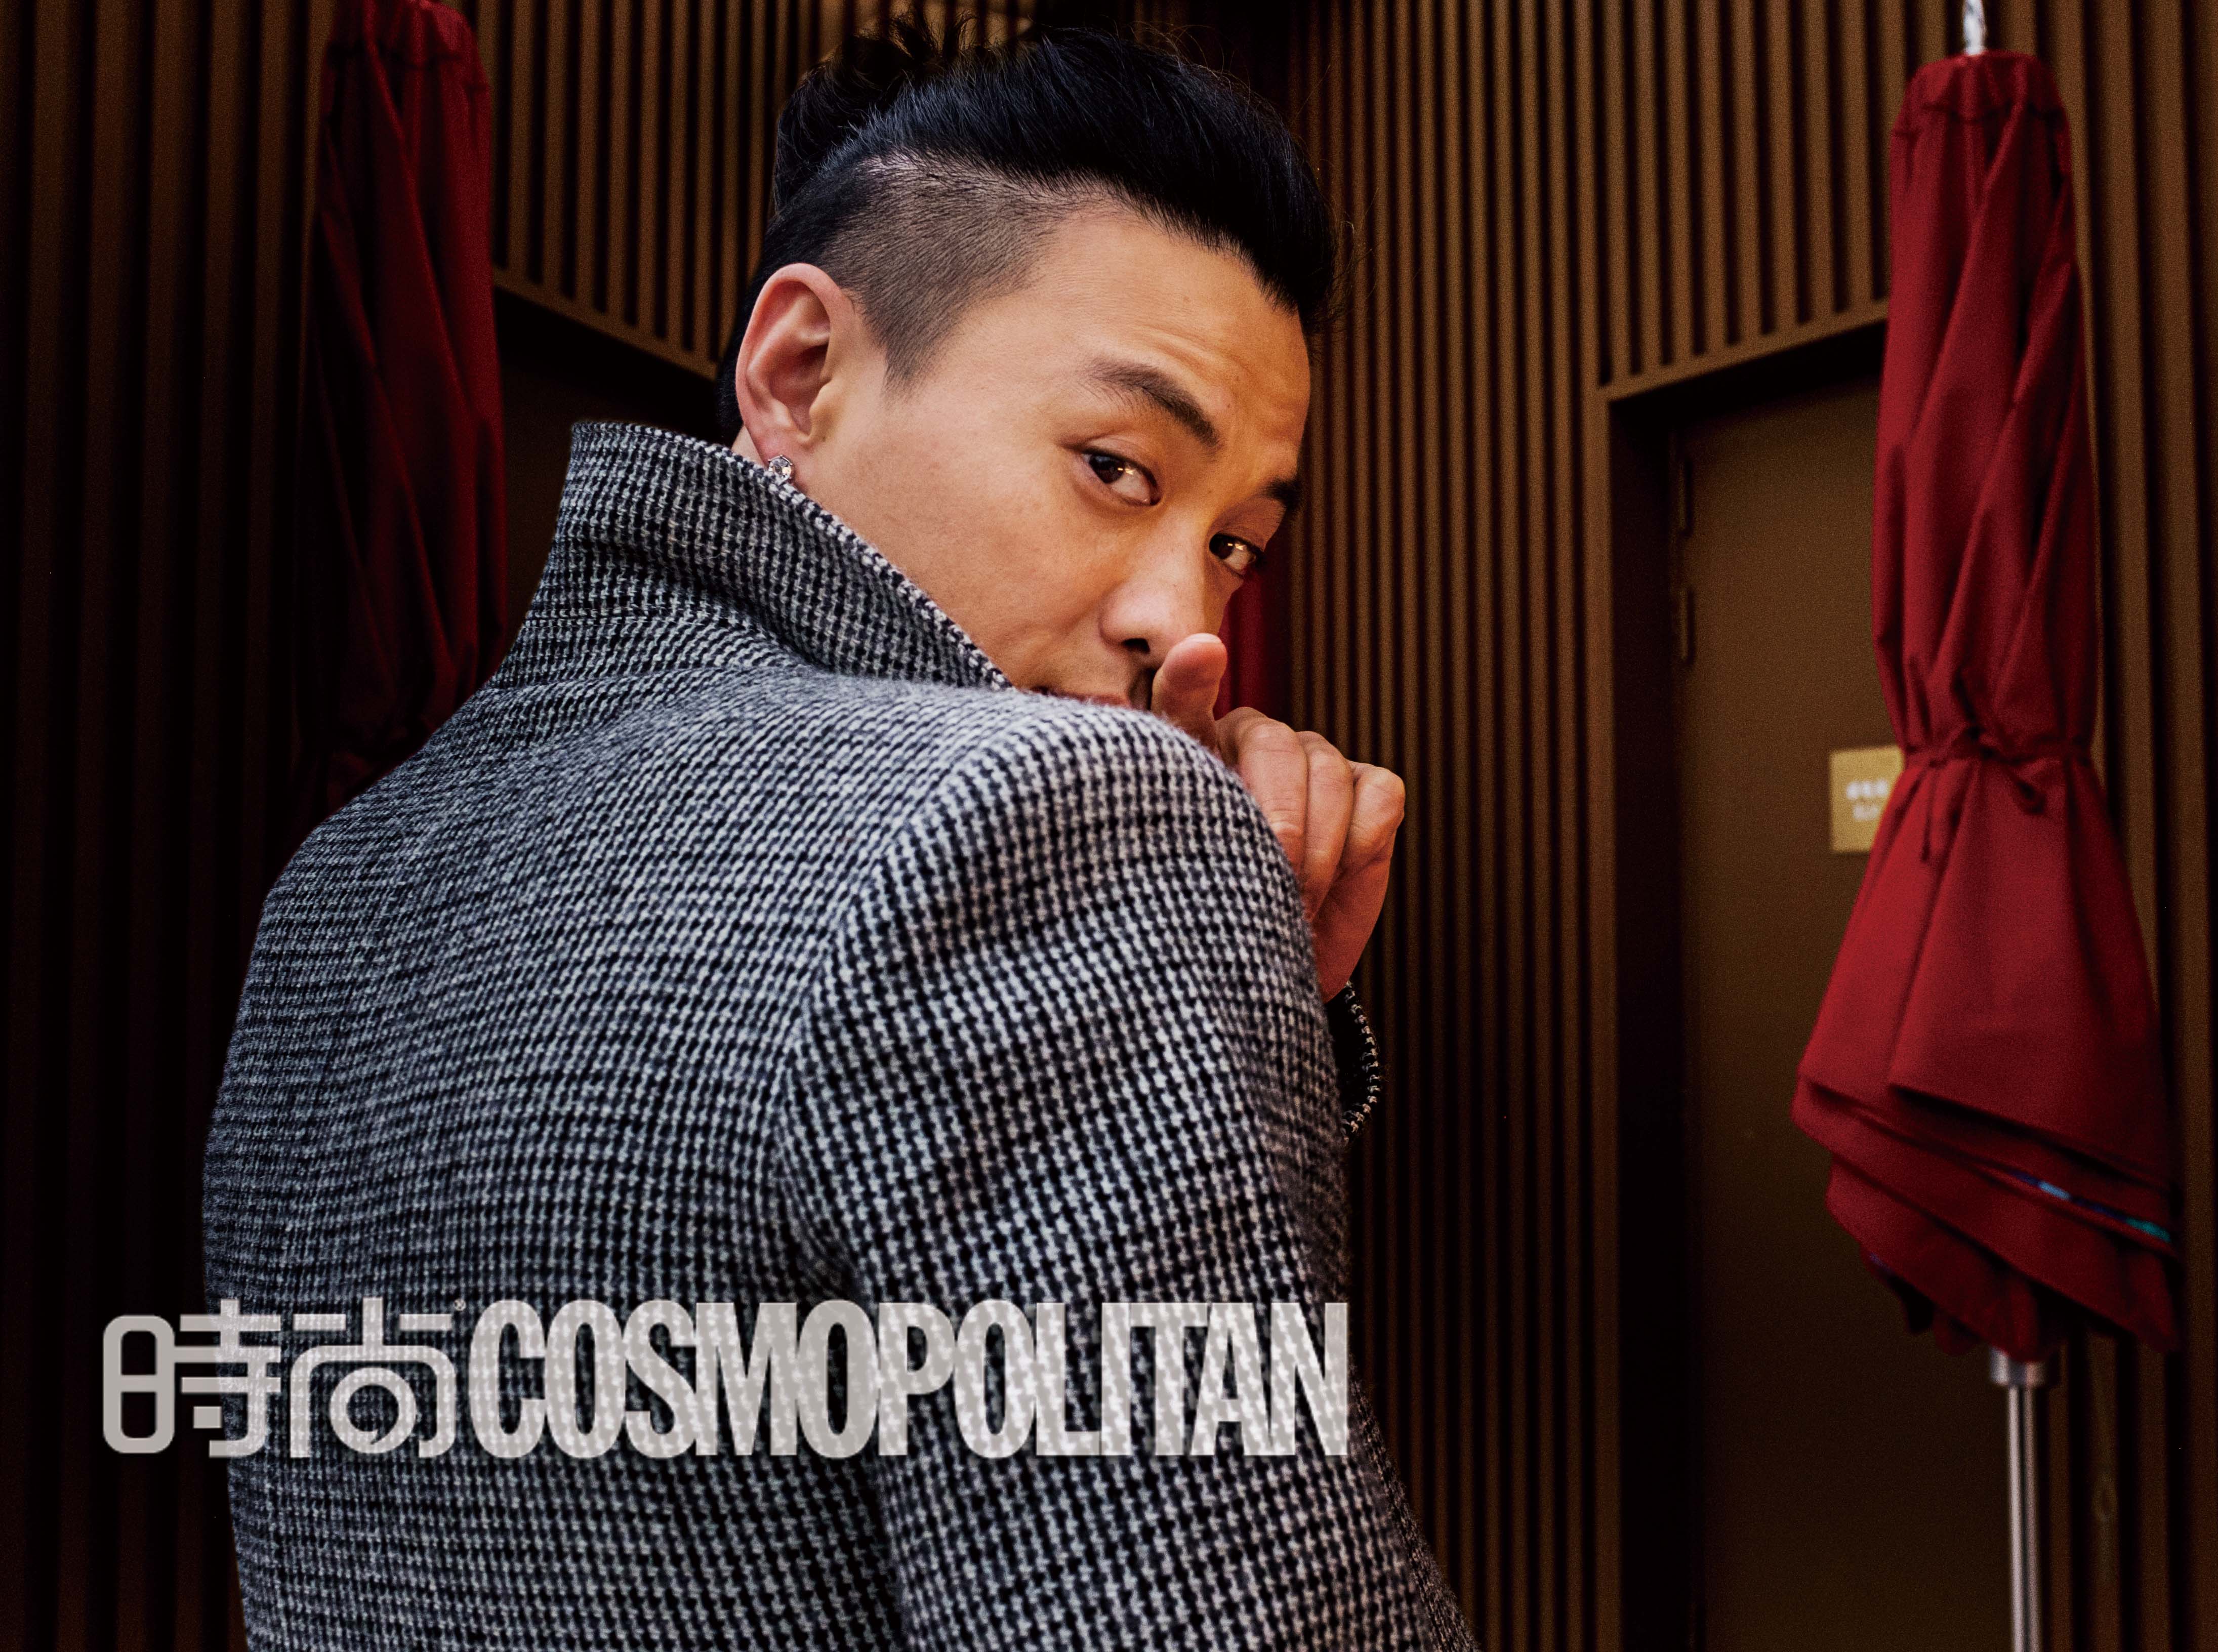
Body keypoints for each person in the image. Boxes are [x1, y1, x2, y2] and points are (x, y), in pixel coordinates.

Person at [202, 20, 1476, 1649]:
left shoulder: (339, 883)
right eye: (1115, 467)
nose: (1188, 620)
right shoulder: (1063, 816)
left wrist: (1233, 1015)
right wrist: (1164, 919)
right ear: (801, 371)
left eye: (1236, 542)